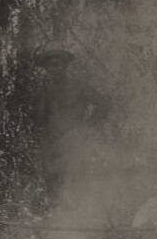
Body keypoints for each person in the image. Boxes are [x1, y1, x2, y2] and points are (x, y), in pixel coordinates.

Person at [35, 49, 110, 206]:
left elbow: (104, 104)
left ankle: (74, 222)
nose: (53, 69)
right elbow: (39, 120)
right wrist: (43, 95)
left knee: (73, 184)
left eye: (57, 64)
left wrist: (83, 129)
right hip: (51, 144)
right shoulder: (46, 90)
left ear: (65, 65)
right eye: (49, 66)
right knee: (52, 186)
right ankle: (54, 223)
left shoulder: (79, 86)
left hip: (73, 142)